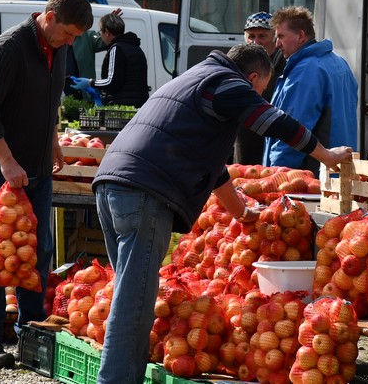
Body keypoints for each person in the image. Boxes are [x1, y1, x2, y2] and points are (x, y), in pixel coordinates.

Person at [92, 43, 354, 384]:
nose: (259, 97)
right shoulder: (226, 83)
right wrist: (325, 154)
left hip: (113, 183)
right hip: (145, 191)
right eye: (260, 90)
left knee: (131, 295)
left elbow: (214, 169)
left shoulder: (195, 79)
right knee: (136, 304)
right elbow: (276, 122)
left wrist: (242, 212)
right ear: (253, 77)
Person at [0, 0, 93, 369]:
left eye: (76, 37)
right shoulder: (9, 48)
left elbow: (47, 100)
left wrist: (52, 138)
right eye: (69, 33)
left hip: (36, 169)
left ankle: (30, 334)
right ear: (49, 18)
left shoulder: (59, 47)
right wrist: (6, 162)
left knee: (38, 253)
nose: (72, 42)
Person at [264, 6, 358, 175]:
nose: (277, 44)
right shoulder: (339, 63)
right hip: (338, 171)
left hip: (309, 178)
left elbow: (292, 131)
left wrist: (277, 174)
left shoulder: (306, 71)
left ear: (301, 36)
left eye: (281, 36)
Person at [232, 11, 285, 165]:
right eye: (252, 36)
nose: (256, 41)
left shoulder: (285, 66)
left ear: (274, 38)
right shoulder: (238, 63)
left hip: (274, 147)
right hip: (244, 149)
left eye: (262, 36)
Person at [73, 11, 149, 107]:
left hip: (121, 105)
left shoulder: (116, 49)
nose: (100, 35)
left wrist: (89, 82)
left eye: (101, 32)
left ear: (107, 33)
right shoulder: (136, 48)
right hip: (139, 105)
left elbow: (111, 81)